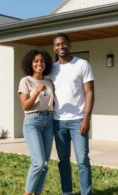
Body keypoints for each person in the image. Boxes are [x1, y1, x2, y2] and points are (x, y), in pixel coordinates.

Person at [50, 33, 95, 195]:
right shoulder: (52, 69)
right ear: (54, 48)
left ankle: (86, 193)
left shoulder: (82, 64)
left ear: (70, 45)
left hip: (78, 121)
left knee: (83, 160)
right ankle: (67, 192)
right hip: (58, 121)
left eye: (63, 44)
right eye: (57, 45)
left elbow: (89, 93)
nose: (60, 47)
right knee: (63, 161)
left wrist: (86, 119)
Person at [18, 49, 54, 195]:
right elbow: (25, 105)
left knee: (45, 165)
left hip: (49, 121)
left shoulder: (49, 81)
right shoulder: (25, 81)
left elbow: (53, 103)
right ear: (30, 63)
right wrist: (36, 92)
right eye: (36, 61)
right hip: (33, 121)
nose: (40, 64)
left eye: (42, 61)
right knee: (38, 163)